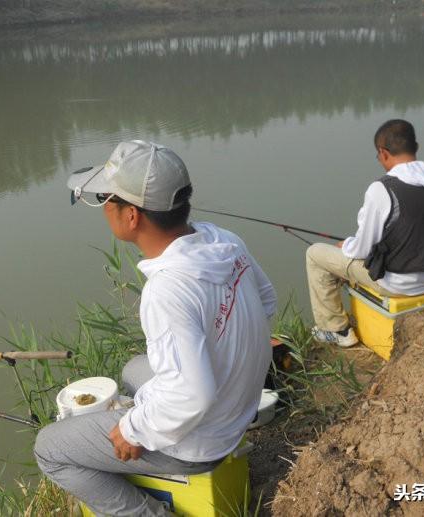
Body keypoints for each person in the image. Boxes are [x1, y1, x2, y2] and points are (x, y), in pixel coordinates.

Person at [34, 140, 277, 516]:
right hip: (238, 409)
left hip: (203, 444)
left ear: (131, 215)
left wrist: (133, 430)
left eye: (105, 199)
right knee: (134, 369)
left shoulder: (167, 289)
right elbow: (266, 301)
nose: (104, 210)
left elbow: (191, 396)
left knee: (50, 450)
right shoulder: (222, 241)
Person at [306, 119, 424, 347]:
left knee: (315, 254)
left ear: (383, 153)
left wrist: (345, 245)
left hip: (398, 284)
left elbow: (362, 249)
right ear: (416, 147)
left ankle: (336, 330)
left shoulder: (383, 189)